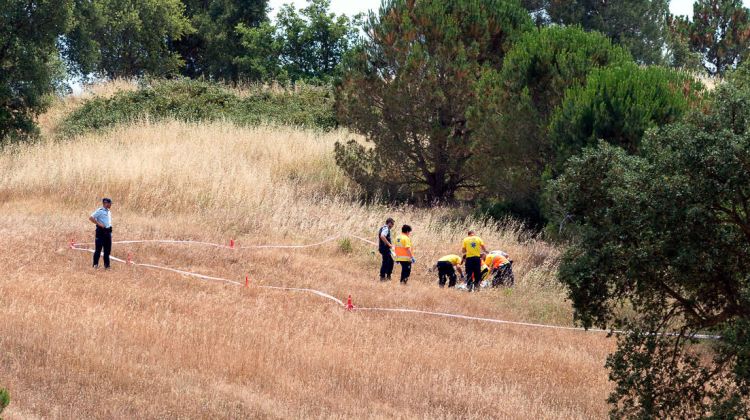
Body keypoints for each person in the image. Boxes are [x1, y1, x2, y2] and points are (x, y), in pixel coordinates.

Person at [89, 197, 113, 269]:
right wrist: (99, 224)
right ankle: (95, 265)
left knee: (107, 250)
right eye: (109, 203)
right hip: (101, 232)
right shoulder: (100, 211)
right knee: (98, 249)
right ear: (105, 203)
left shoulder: (108, 211)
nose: (110, 205)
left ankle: (107, 266)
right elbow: (91, 218)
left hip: (108, 232)